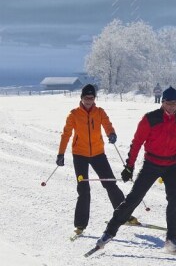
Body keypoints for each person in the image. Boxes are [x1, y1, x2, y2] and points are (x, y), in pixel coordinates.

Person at [96, 86, 176, 254]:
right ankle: (108, 233)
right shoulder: (150, 119)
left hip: (172, 165)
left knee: (175, 201)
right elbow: (137, 142)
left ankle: (171, 240)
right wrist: (129, 166)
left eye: (175, 104)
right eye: (168, 103)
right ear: (162, 103)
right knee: (134, 198)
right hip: (152, 164)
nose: (171, 107)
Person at [56, 84, 138, 235]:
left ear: (95, 99)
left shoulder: (99, 112)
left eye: (91, 98)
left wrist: (111, 133)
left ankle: (124, 215)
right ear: (81, 98)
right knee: (83, 189)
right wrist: (61, 154)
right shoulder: (74, 114)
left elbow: (107, 124)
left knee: (110, 184)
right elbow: (66, 134)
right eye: (86, 98)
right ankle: (80, 224)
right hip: (79, 155)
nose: (88, 100)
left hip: (98, 153)